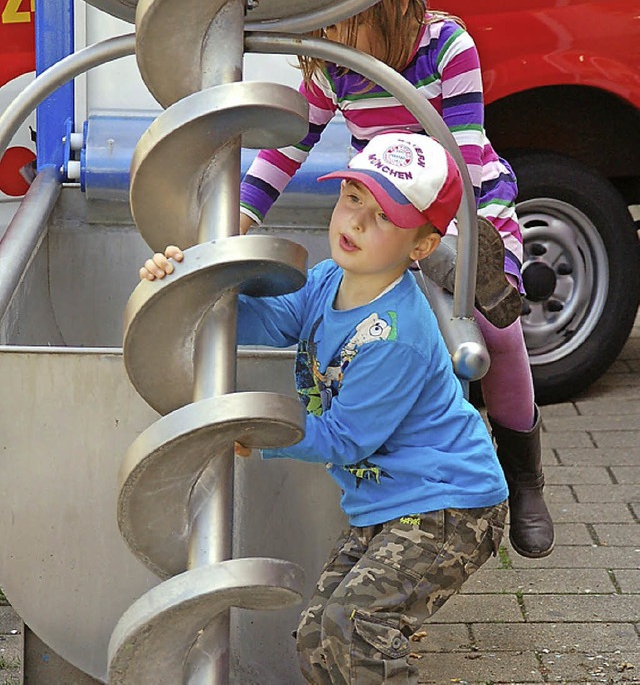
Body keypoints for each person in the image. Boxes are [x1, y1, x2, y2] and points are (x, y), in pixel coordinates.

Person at [141, 132, 509, 684]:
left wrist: (261, 432)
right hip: (389, 503)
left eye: (382, 216)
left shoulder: (397, 335)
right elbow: (269, 321)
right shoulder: (329, 281)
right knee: (318, 635)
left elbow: (345, 438)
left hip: (449, 506)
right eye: (352, 198)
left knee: (354, 626)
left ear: (422, 247)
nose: (355, 221)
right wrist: (192, 287)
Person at [238, 0, 553, 559]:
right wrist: (244, 213)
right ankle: (422, 481)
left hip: (464, 201)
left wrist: (468, 248)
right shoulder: (333, 62)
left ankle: (524, 477)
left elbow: (467, 150)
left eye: (343, 22)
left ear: (392, 3)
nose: (330, 36)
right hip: (387, 209)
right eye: (324, 23)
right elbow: (287, 146)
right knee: (405, 317)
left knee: (495, 330)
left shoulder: (445, 46)